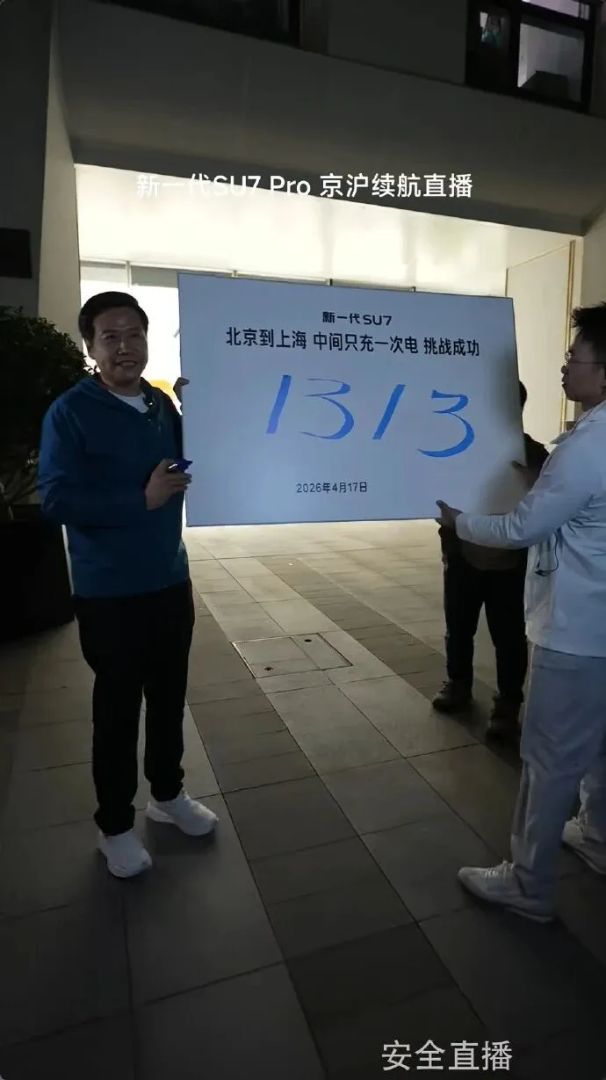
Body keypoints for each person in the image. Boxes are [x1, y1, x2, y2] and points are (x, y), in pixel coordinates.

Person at [38, 291, 217, 879]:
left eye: (134, 334)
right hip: (109, 591)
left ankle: (167, 796)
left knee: (168, 698)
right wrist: (140, 499)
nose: (124, 347)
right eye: (110, 337)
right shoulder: (71, 411)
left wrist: (203, 413)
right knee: (117, 711)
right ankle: (114, 825)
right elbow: (56, 498)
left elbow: (187, 463)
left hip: (169, 578)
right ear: (91, 348)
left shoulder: (161, 405)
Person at [436, 303, 606, 922]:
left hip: (577, 629)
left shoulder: (589, 445)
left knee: (549, 756)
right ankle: (598, 836)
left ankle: (528, 884)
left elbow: (519, 528)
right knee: (600, 743)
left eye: (574, 358)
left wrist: (460, 521)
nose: (564, 367)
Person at [433, 381, 548, 738]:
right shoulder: (458, 446)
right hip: (464, 557)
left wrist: (536, 485)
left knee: (509, 636)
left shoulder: (535, 455)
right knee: (459, 626)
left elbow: (547, 507)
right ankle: (458, 684)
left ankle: (508, 704)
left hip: (511, 563)